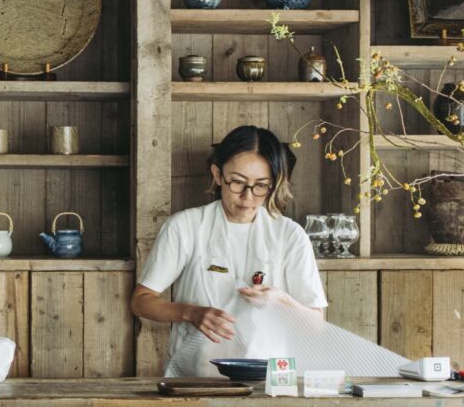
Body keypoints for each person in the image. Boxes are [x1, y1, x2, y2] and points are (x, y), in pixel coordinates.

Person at [131, 125, 326, 377]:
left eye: (260, 186)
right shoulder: (185, 227)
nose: (247, 197)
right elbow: (140, 301)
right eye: (237, 182)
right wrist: (191, 313)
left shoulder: (290, 235)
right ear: (217, 174)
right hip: (196, 376)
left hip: (271, 381)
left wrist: (281, 301)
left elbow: (316, 325)